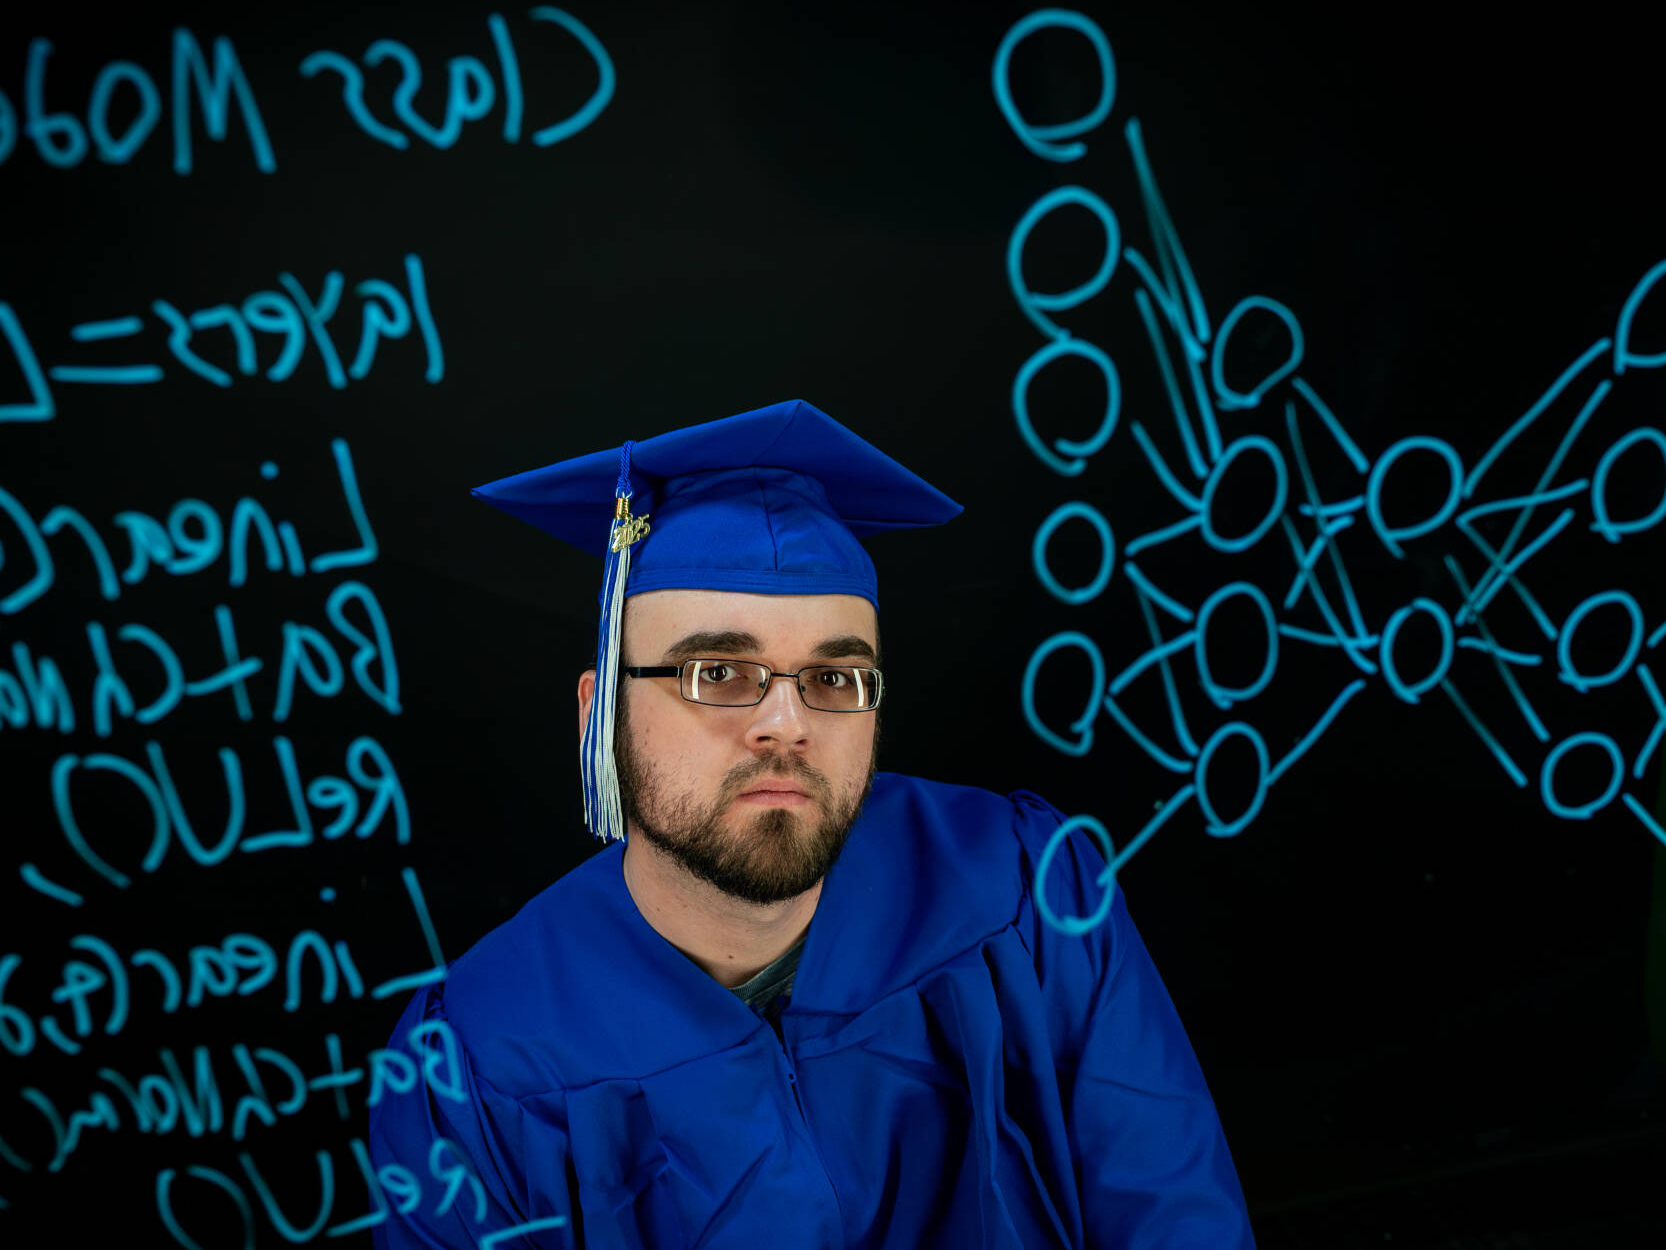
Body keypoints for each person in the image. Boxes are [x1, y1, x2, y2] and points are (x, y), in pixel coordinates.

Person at [370, 401, 1254, 1247]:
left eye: (834, 679)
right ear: (600, 717)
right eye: (716, 672)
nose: (786, 724)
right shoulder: (474, 1065)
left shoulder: (1028, 891)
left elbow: (1178, 1218)